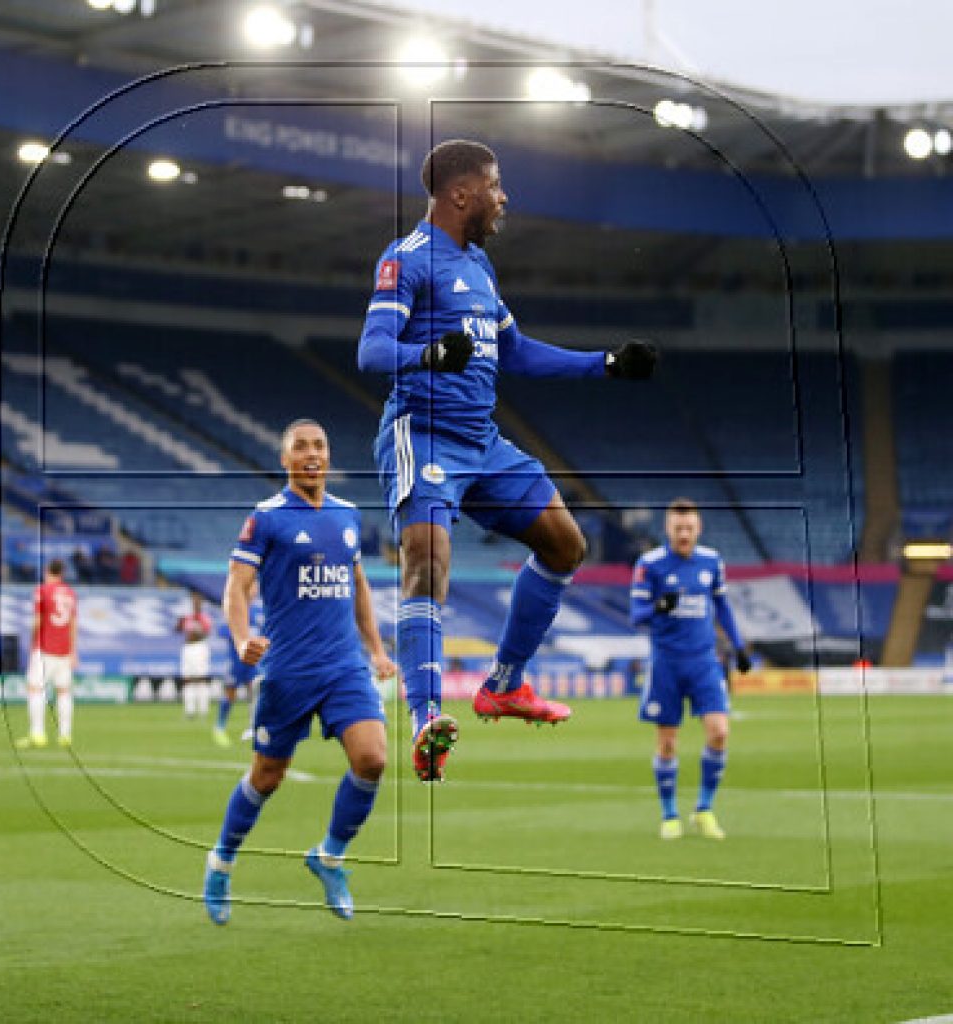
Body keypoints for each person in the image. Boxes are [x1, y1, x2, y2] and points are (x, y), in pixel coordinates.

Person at [357, 138, 658, 782]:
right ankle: (427, 715)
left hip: (483, 442)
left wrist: (605, 365)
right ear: (460, 193)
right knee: (428, 558)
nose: (503, 197)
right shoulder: (407, 259)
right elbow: (373, 352)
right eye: (495, 185)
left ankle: (504, 683)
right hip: (427, 433)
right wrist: (430, 355)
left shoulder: (480, 269)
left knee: (564, 545)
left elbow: (515, 352)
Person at [203, 419, 396, 924]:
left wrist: (376, 650)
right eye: (301, 447)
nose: (312, 454)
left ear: (328, 456)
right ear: (284, 460)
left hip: (344, 667)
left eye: (320, 446)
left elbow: (358, 586)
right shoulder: (265, 519)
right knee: (267, 776)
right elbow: (235, 587)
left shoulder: (348, 516)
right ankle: (221, 861)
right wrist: (242, 638)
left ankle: (329, 857)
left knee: (373, 759)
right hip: (288, 669)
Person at [629, 498, 751, 840]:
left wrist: (738, 646)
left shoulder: (711, 561)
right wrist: (658, 606)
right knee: (667, 743)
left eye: (689, 528)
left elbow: (722, 605)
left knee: (720, 733)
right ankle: (669, 814)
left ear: (698, 529)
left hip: (704, 662)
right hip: (666, 663)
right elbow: (636, 615)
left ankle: (704, 809)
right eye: (678, 528)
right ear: (668, 529)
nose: (684, 533)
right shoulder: (650, 564)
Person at [16, 558, 78, 749]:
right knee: (64, 692)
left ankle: (37, 733)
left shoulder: (42, 591)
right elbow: (73, 624)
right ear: (63, 573)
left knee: (35, 689)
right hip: (64, 650)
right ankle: (65, 735)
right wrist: (73, 651)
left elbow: (38, 620)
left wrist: (32, 641)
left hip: (44, 649)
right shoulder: (70, 593)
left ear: (47, 571)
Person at [212, 586, 263, 747]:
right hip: (235, 660)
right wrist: (239, 635)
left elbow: (265, 632)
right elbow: (221, 630)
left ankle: (253, 726)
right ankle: (219, 727)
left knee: (254, 691)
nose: (254, 593)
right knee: (230, 693)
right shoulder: (233, 608)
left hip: (253, 660)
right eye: (251, 590)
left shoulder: (257, 612)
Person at [176, 590, 212, 720]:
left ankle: (203, 711)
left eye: (197, 601)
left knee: (201, 679)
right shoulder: (187, 617)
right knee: (187, 679)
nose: (195, 603)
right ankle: (189, 711)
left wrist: (195, 629)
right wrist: (180, 622)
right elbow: (177, 630)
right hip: (188, 648)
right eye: (193, 600)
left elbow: (205, 633)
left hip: (199, 647)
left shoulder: (204, 618)